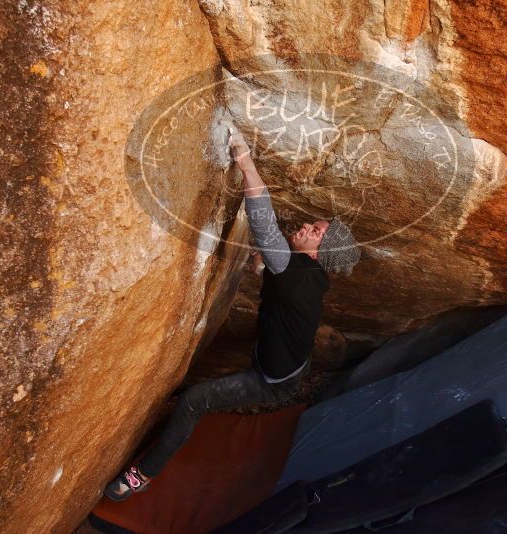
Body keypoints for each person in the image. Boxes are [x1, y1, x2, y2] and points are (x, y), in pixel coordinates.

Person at [104, 127, 361, 501]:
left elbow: (263, 223)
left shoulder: (294, 270)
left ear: (321, 252)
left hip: (273, 380)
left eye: (316, 231)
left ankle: (141, 476)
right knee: (271, 278)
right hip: (288, 358)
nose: (307, 226)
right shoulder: (310, 276)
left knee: (195, 401)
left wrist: (245, 160)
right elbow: (282, 277)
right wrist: (263, 270)